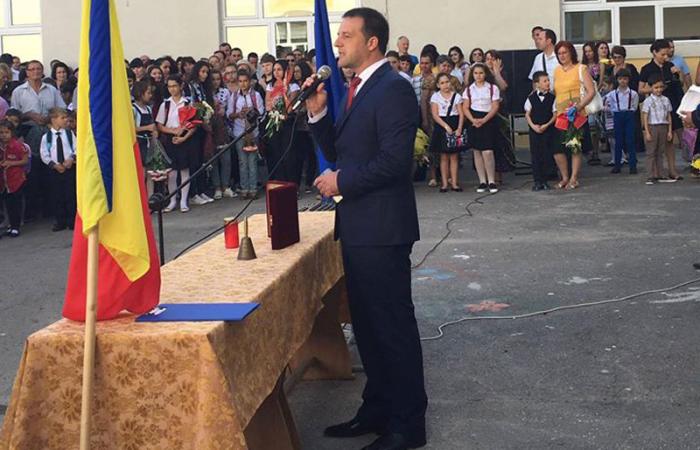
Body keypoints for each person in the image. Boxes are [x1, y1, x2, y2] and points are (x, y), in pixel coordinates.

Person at [305, 8, 427, 450]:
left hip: (383, 228)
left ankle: (407, 426)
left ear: (371, 42)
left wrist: (342, 182)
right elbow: (346, 150)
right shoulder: (357, 88)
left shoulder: (392, 88)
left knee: (391, 327)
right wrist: (319, 115)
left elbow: (395, 163)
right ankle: (377, 409)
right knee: (369, 328)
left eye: (346, 35)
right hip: (359, 227)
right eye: (338, 35)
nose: (337, 42)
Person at [11, 60, 66, 221]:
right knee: (32, 171)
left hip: (49, 131)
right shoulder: (19, 91)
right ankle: (32, 211)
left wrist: (49, 117)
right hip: (29, 132)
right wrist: (29, 115)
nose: (35, 71)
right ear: (27, 72)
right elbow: (14, 115)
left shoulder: (51, 90)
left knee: (50, 167)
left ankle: (51, 209)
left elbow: (61, 109)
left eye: (38, 69)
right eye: (32, 69)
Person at [552, 41, 596, 190]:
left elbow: (591, 91)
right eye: (559, 53)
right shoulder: (557, 71)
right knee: (557, 149)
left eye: (564, 52)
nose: (562, 56)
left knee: (575, 146)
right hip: (561, 114)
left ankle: (574, 178)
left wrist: (578, 107)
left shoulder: (581, 69)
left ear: (571, 52)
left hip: (576, 114)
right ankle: (564, 177)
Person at [639, 39, 684, 181]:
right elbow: (640, 89)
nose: (665, 57)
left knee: (671, 139)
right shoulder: (647, 69)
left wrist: (679, 73)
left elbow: (680, 83)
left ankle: (672, 170)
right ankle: (655, 172)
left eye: (667, 54)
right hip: (654, 109)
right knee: (656, 144)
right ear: (655, 52)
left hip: (671, 104)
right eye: (663, 54)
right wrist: (656, 89)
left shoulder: (670, 66)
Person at [156, 74, 198, 213]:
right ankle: (172, 200)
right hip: (170, 139)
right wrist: (173, 131)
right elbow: (160, 125)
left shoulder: (187, 103)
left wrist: (183, 137)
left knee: (184, 170)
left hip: (185, 139)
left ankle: (184, 200)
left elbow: (193, 125)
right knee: (172, 173)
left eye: (175, 86)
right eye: (169, 86)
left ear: (181, 86)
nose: (172, 89)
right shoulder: (165, 104)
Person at [462, 62, 501, 193]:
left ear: (485, 74)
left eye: (481, 73)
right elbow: (465, 107)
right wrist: (473, 119)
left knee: (488, 151)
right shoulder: (469, 89)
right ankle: (482, 181)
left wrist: (484, 120)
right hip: (474, 118)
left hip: (488, 119)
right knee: (477, 151)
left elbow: (495, 106)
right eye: (476, 73)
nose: (478, 76)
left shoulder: (492, 88)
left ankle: (491, 180)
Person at [39, 108, 76, 231]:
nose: (66, 120)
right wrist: (54, 165)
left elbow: (76, 148)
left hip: (69, 168)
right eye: (62, 118)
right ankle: (60, 221)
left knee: (70, 195)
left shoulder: (69, 134)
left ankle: (72, 220)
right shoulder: (47, 137)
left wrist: (71, 159)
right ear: (53, 119)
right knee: (57, 195)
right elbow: (44, 153)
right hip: (55, 170)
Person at [264, 59, 300, 182]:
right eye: (274, 70)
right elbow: (267, 104)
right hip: (274, 121)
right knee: (276, 152)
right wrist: (273, 109)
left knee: (288, 154)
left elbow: (291, 106)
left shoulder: (293, 86)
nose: (276, 72)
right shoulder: (270, 85)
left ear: (285, 70)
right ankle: (279, 181)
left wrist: (284, 92)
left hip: (288, 122)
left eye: (279, 69)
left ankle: (291, 182)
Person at [430, 72, 465, 192]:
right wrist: (445, 126)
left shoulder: (457, 96)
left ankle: (454, 183)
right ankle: (444, 183)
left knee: (454, 156)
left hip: (454, 123)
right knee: (443, 156)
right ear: (438, 85)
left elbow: (461, 114)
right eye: (442, 83)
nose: (445, 85)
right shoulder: (435, 97)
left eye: (447, 82)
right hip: (441, 125)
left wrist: (459, 128)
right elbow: (435, 115)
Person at [524, 71, 557, 191]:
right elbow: (527, 114)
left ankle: (546, 179)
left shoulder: (552, 98)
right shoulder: (531, 98)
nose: (548, 83)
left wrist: (546, 125)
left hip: (548, 130)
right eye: (545, 81)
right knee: (536, 155)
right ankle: (537, 180)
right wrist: (533, 126)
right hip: (535, 130)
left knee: (547, 154)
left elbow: (555, 114)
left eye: (548, 80)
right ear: (537, 84)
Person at [641, 73, 675, 185]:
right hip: (653, 127)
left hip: (663, 126)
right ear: (651, 88)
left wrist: (669, 130)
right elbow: (645, 116)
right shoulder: (648, 101)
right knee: (651, 152)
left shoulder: (666, 100)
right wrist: (647, 132)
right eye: (656, 87)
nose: (659, 90)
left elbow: (669, 115)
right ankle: (650, 176)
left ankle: (661, 174)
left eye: (661, 87)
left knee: (661, 152)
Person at [606, 69, 639, 175]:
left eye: (625, 79)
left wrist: (629, 112)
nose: (623, 81)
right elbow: (609, 105)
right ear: (617, 80)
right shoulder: (612, 94)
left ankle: (633, 166)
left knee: (630, 141)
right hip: (617, 115)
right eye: (620, 79)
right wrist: (614, 112)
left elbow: (634, 106)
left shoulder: (633, 94)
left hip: (629, 115)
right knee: (618, 141)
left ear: (628, 80)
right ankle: (617, 165)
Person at [209, 69, 236, 200]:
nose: (215, 82)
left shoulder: (225, 92)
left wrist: (223, 111)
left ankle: (226, 185)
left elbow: (229, 109)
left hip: (223, 127)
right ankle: (217, 187)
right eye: (213, 79)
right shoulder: (206, 93)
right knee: (213, 159)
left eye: (218, 79)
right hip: (211, 128)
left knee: (226, 159)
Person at [0, 120, 28, 237]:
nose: (4, 135)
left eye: (6, 132)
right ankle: (10, 225)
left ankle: (16, 227)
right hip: (3, 181)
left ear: (12, 132)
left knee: (15, 204)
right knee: (7, 205)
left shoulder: (17, 145)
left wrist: (11, 163)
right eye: (1, 133)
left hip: (16, 179)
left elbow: (25, 160)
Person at [132, 80, 157, 167]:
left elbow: (153, 125)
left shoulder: (148, 109)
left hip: (149, 143)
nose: (150, 95)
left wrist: (155, 132)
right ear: (140, 94)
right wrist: (146, 128)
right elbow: (130, 128)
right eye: (148, 93)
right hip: (139, 143)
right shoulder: (133, 109)